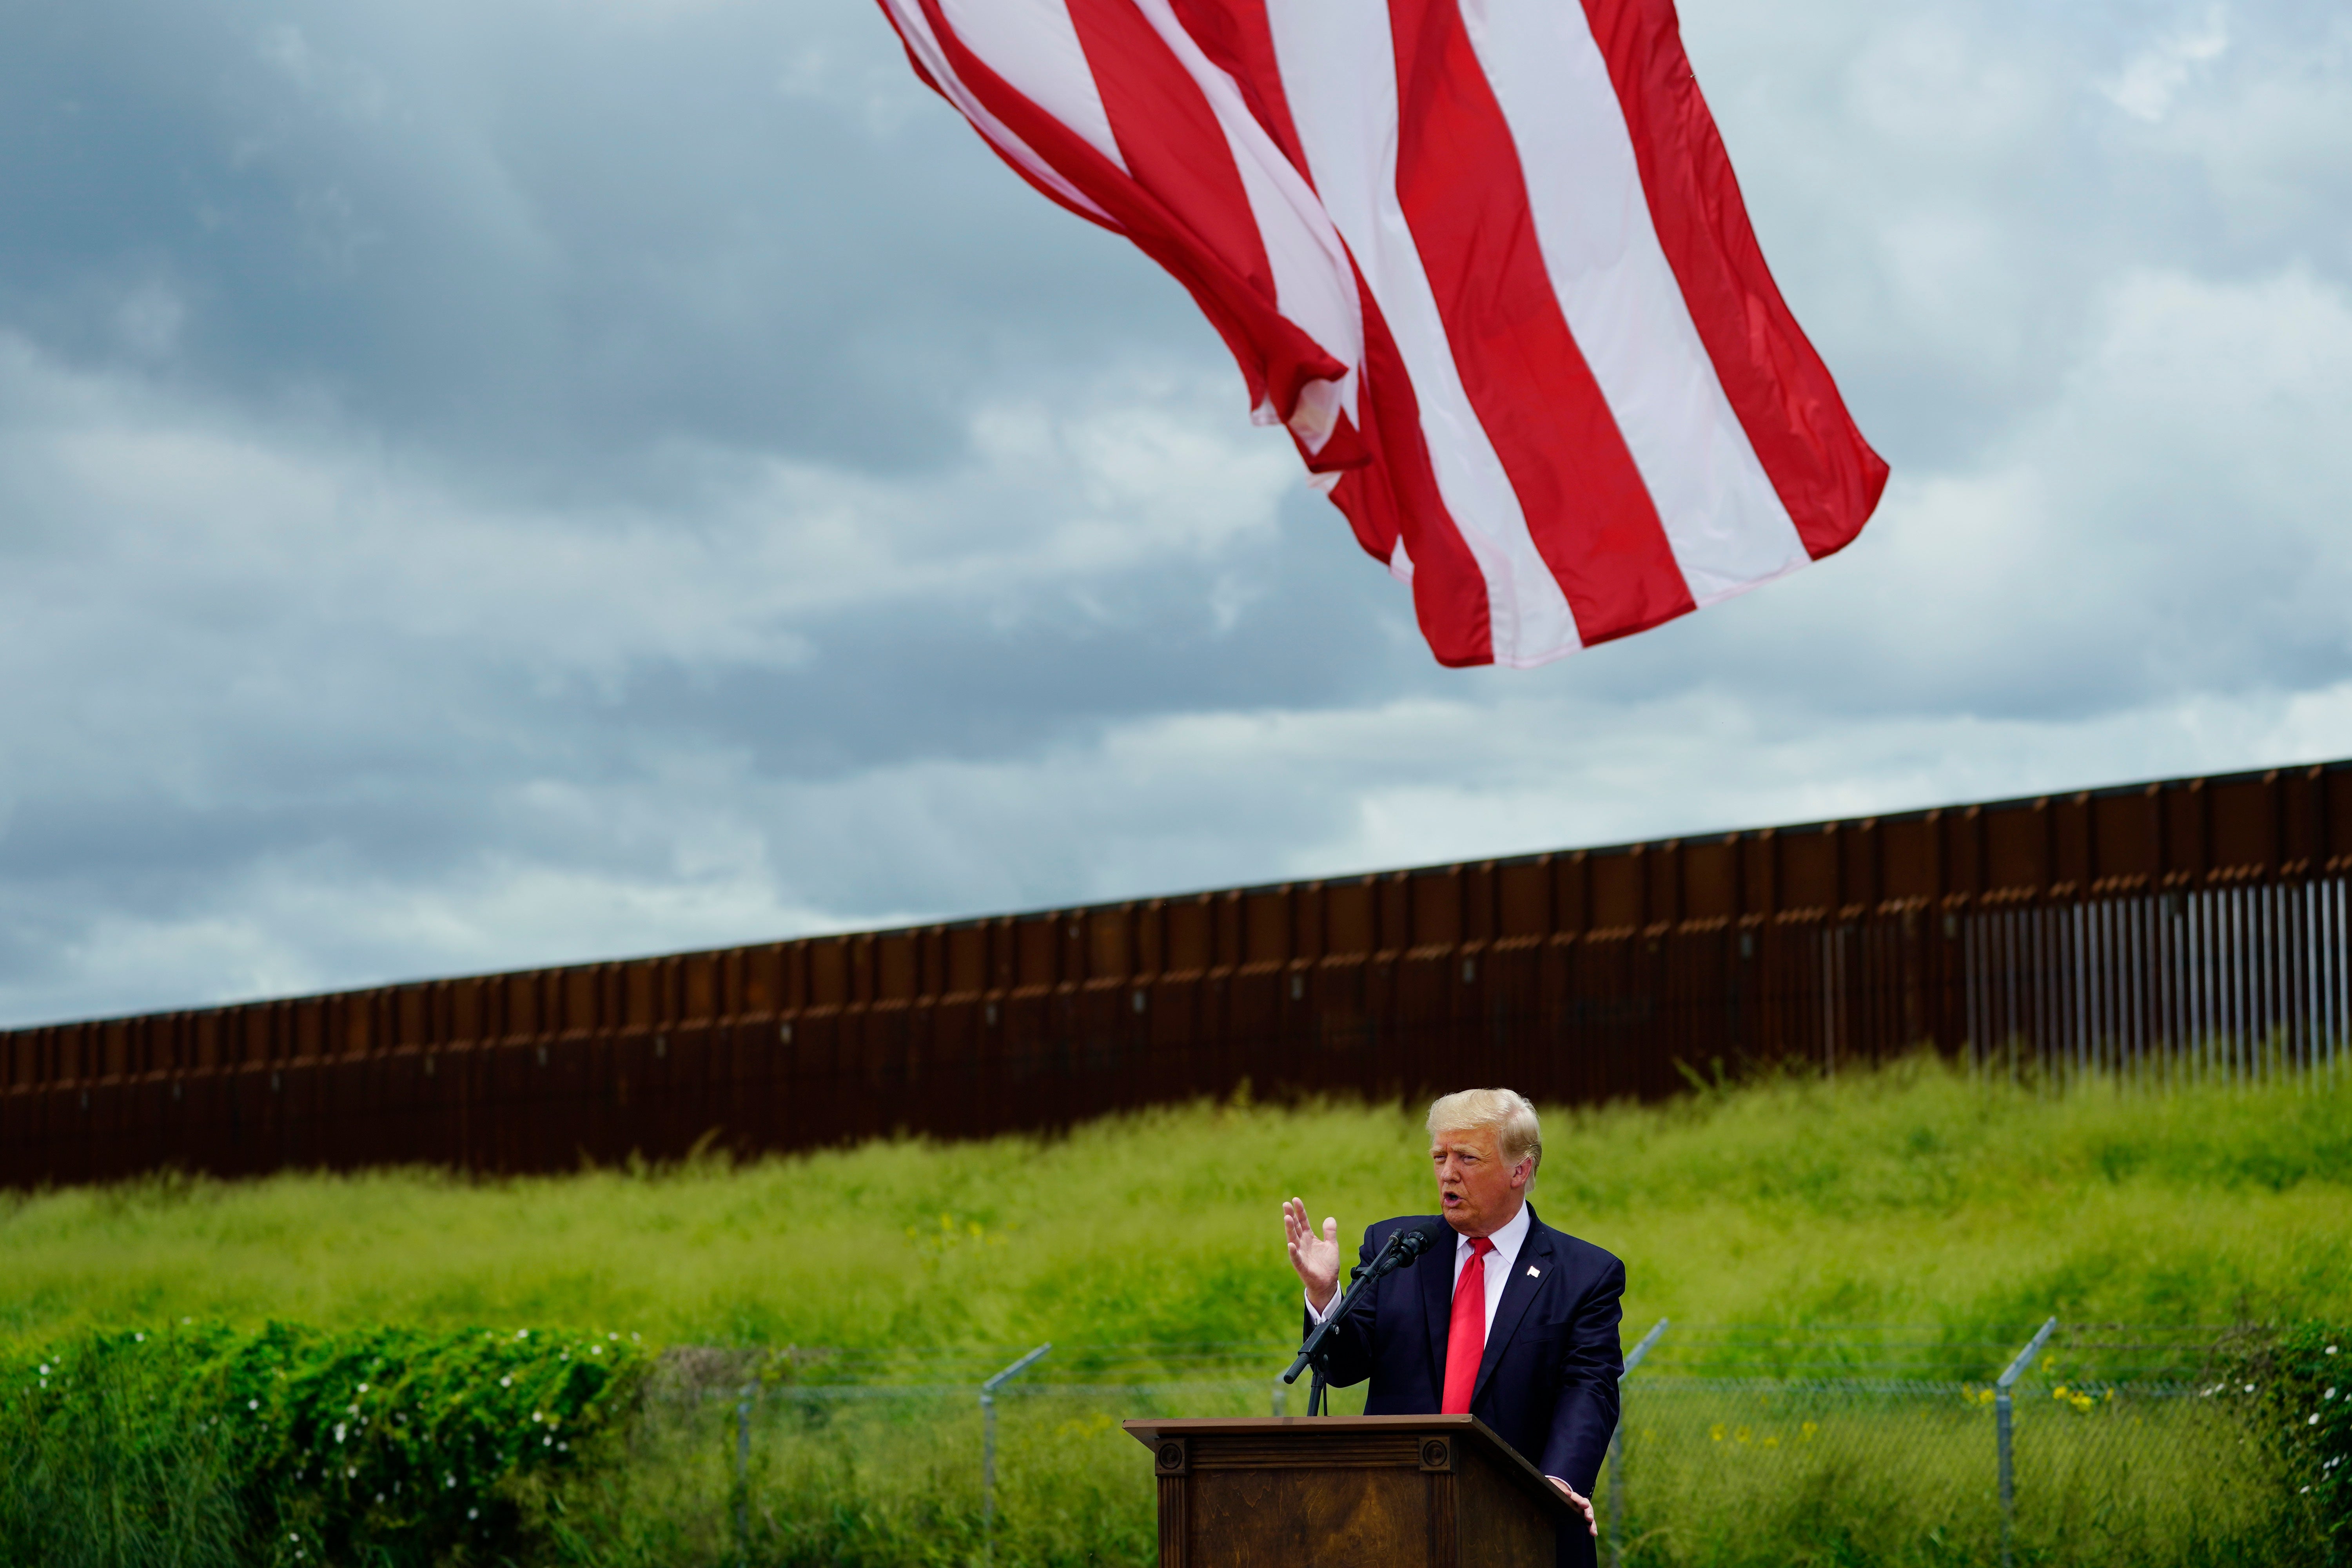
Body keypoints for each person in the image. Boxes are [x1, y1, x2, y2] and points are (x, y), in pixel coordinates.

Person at [1282, 1087, 1623, 1568]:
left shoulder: (1585, 1274)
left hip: (1521, 1525)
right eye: (1440, 1156)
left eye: (1467, 1157)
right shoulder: (1396, 1248)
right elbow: (1342, 1367)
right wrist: (1324, 1295)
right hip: (1392, 1523)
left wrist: (1559, 1484)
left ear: (1519, 1170)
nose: (1447, 1173)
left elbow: (1589, 1388)